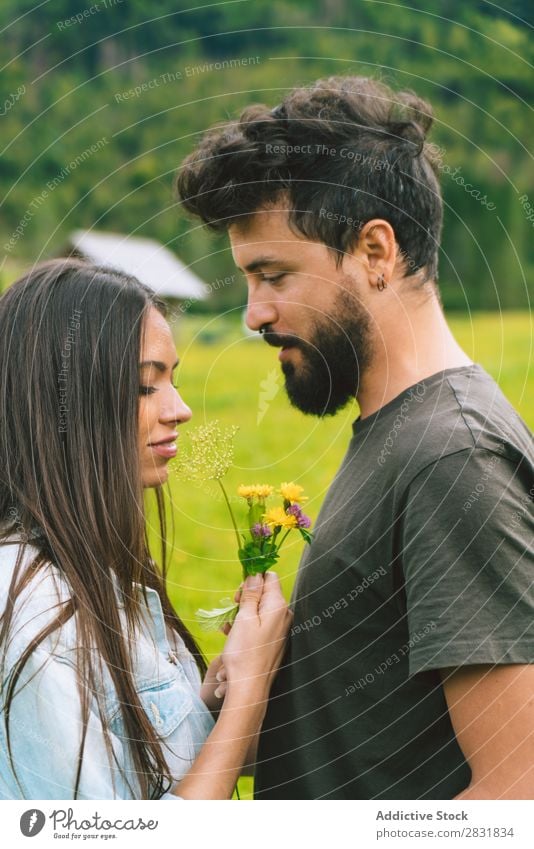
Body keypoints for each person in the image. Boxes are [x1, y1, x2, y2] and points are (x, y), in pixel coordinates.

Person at [176, 75, 534, 799]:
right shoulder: (399, 431)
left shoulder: (452, 456)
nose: (253, 313)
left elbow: (513, 798)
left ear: (376, 251)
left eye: (273, 275)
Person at [0, 258, 292, 800]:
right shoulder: (30, 612)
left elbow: (145, 778)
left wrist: (207, 703)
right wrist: (249, 692)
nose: (179, 409)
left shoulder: (101, 572)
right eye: (144, 386)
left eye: (173, 380)